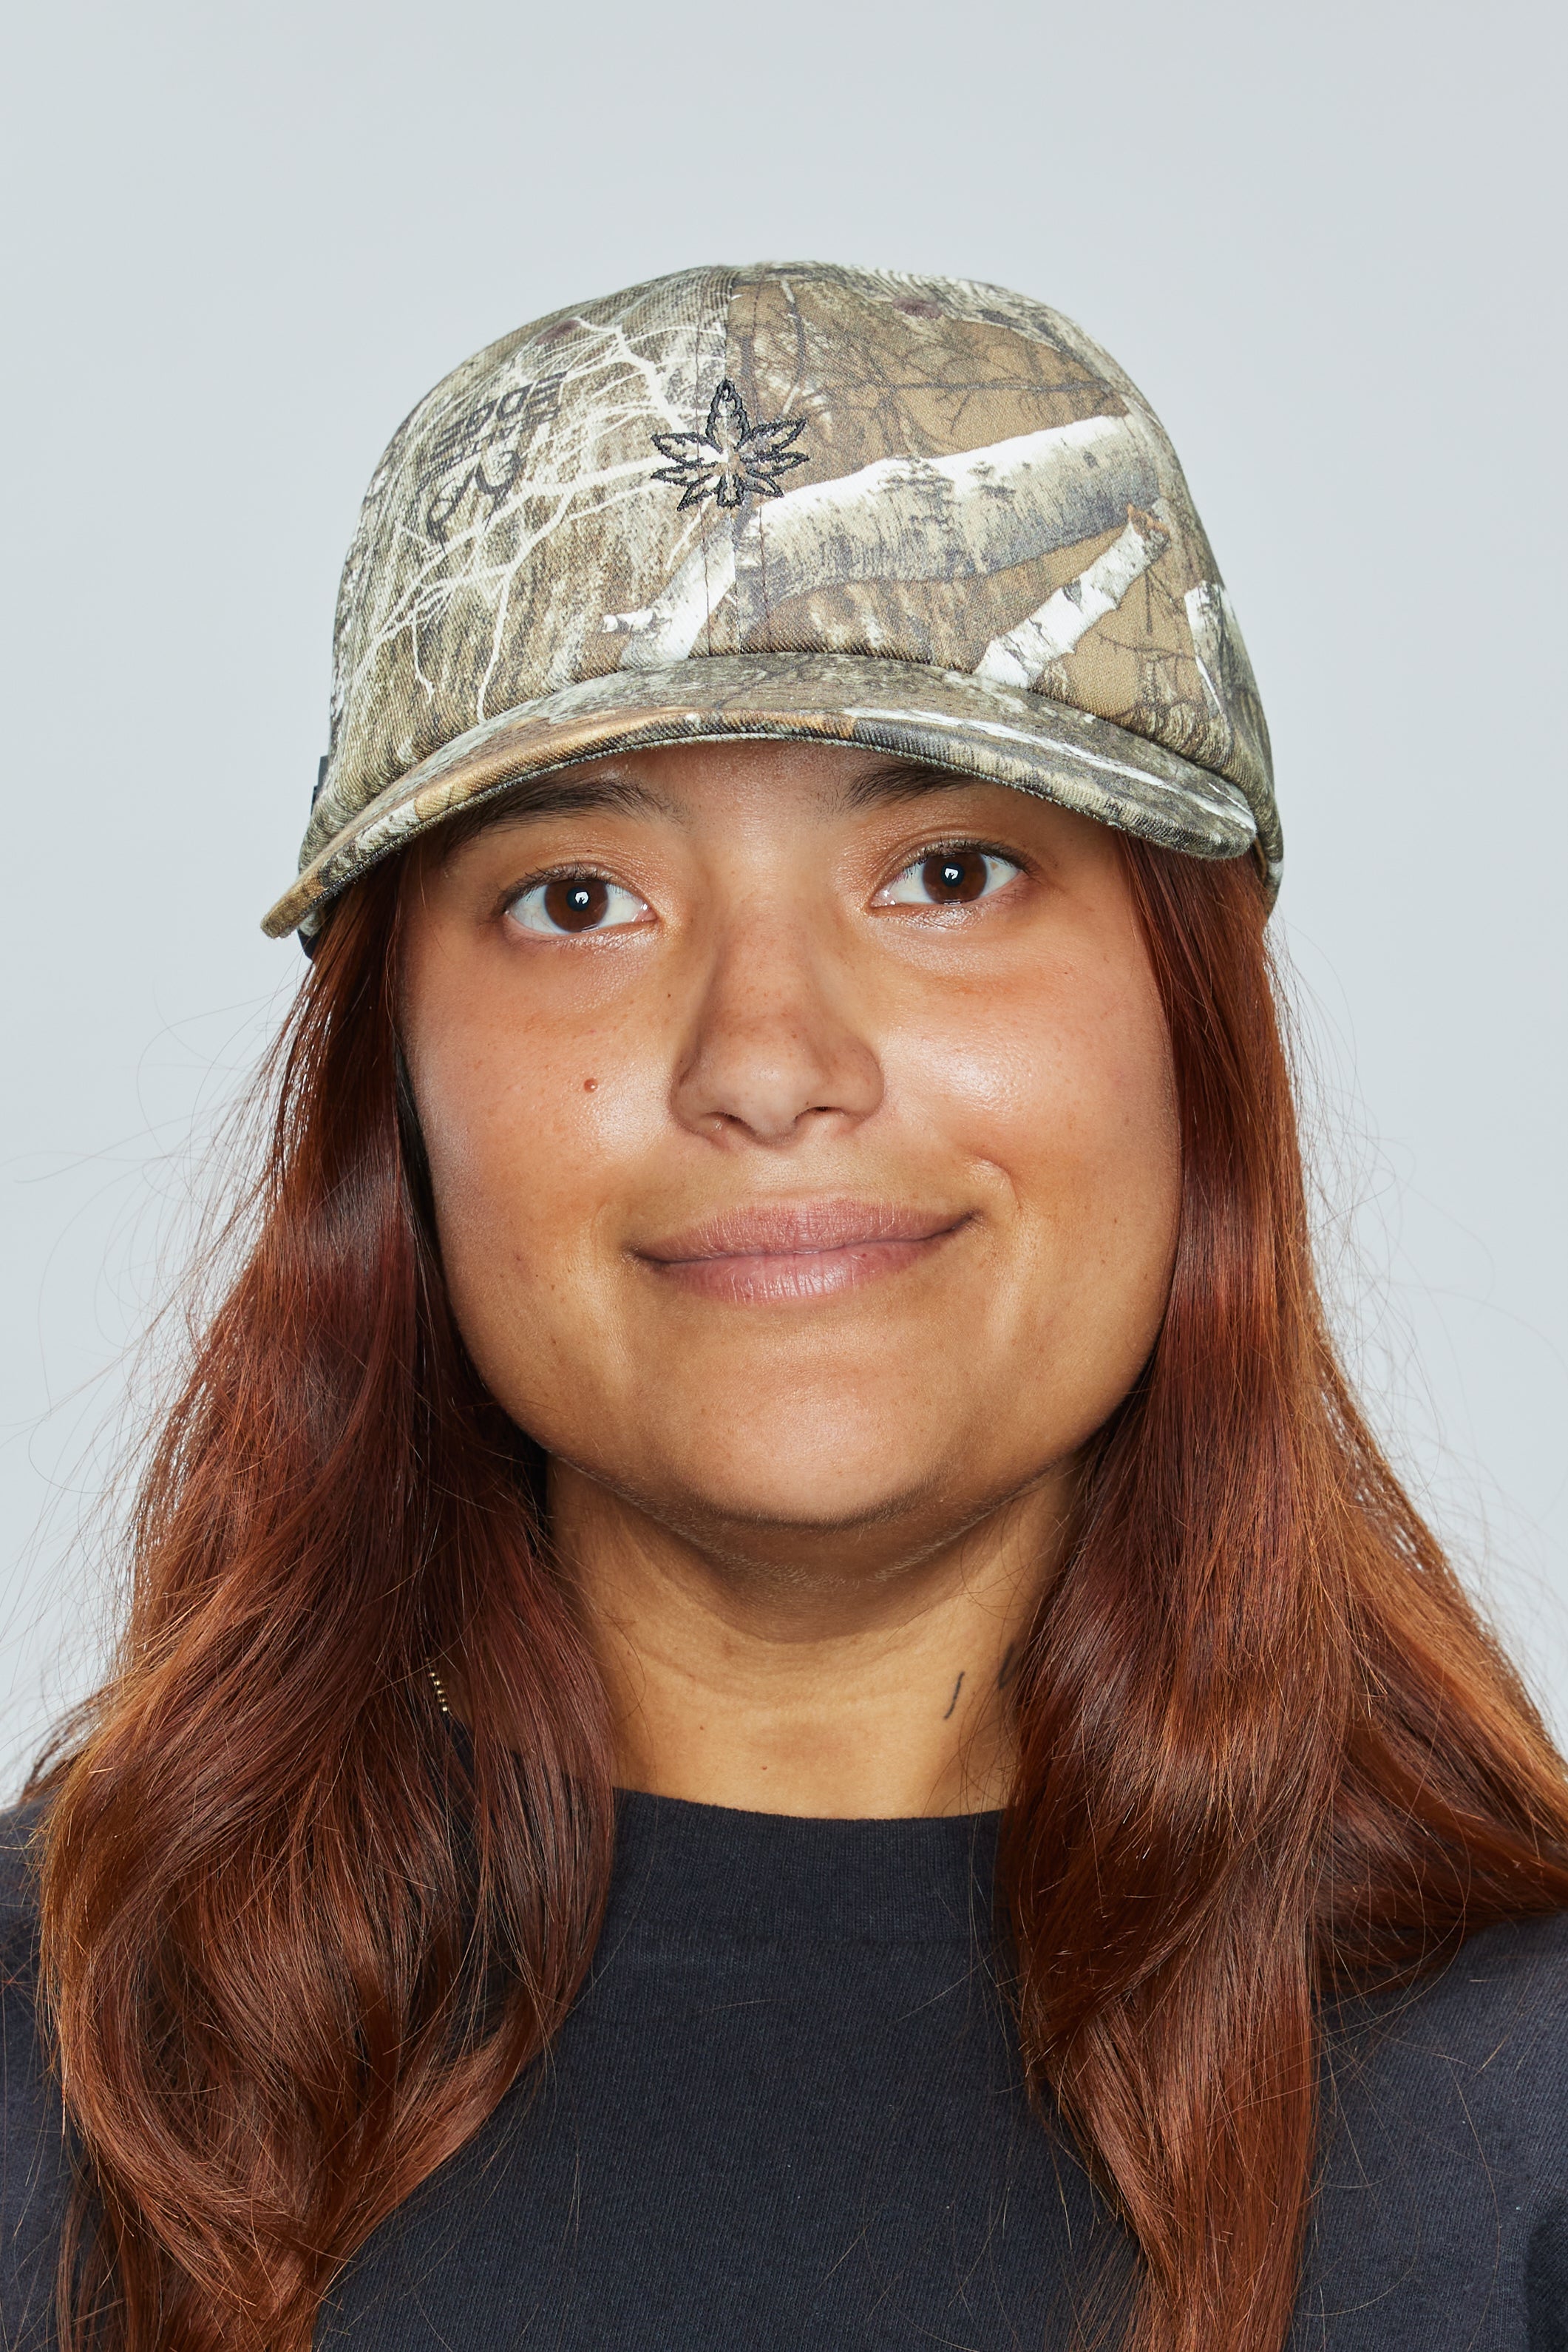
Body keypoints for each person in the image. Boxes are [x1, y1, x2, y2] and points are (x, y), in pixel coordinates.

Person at [3, 261, 1565, 2352]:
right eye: (578, 900)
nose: (765, 1058)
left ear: (1193, 1028)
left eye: (948, 874)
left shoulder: (1527, 2117)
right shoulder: (50, 2065)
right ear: (394, 1085)